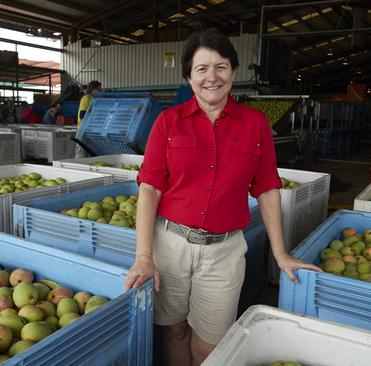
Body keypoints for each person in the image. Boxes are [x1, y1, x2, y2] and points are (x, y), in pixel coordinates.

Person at [123, 29, 321, 366]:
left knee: (209, 346)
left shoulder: (255, 125)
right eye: (201, 69)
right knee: (174, 332)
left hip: (224, 252)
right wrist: (145, 257)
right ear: (189, 76)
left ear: (233, 72)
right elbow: (150, 189)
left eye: (221, 67)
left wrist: (281, 253)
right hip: (170, 245)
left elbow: (268, 189)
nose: (211, 77)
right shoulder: (167, 122)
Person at [76, 80, 102, 158]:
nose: (100, 91)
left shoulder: (93, 99)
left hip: (89, 131)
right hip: (83, 131)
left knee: (89, 154)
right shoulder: (86, 98)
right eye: (99, 89)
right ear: (94, 89)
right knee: (81, 155)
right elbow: (82, 115)